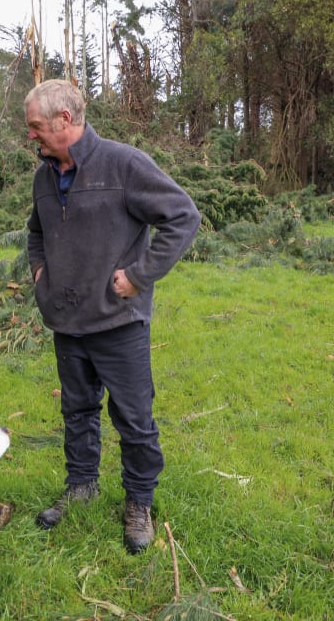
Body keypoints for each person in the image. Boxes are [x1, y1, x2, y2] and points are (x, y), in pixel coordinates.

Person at [24, 79, 201, 554]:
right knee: (76, 411)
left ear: (65, 120)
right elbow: (35, 232)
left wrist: (139, 276)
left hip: (118, 323)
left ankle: (138, 503)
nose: (32, 136)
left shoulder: (123, 164)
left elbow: (183, 216)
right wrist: (41, 275)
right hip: (66, 321)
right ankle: (81, 486)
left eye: (37, 126)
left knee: (134, 418)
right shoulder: (43, 176)